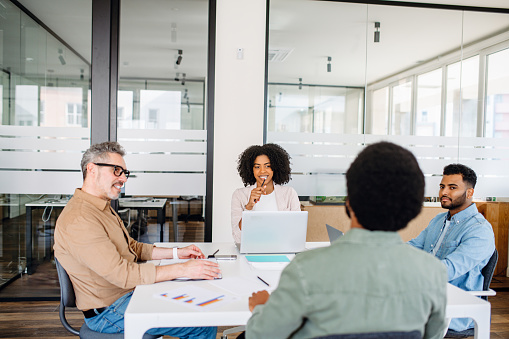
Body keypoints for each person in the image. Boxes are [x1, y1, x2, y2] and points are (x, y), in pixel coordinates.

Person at [245, 142, 448, 339]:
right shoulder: (433, 272)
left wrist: (261, 308)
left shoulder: (305, 269)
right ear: (412, 209)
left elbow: (261, 334)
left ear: (349, 202)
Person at [54, 141, 220, 338]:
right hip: (109, 311)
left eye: (125, 172)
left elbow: (132, 247)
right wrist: (183, 268)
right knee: (201, 322)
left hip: (128, 294)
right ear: (92, 169)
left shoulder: (101, 207)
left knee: (193, 293)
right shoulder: (80, 219)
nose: (123, 178)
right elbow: (121, 274)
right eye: (117, 171)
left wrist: (177, 253)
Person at [408, 163, 495, 333]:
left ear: (469, 193)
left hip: (454, 308)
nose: (443, 192)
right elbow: (414, 247)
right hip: (425, 295)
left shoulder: (480, 230)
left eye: (452, 187)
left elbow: (446, 270)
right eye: (442, 187)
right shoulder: (438, 220)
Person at [231, 143, 300, 243]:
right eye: (257, 167)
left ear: (275, 168)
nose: (262, 171)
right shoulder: (239, 195)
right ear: (251, 170)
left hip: (282, 250)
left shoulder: (289, 193)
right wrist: (249, 207)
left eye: (267, 166)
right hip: (251, 251)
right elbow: (237, 238)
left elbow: (297, 232)